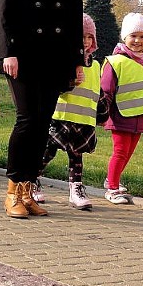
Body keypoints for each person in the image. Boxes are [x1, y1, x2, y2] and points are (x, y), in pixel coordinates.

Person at [0, 0, 85, 218]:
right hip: (23, 54)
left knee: (43, 124)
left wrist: (78, 58)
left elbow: (75, 12)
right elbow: (5, 9)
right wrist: (9, 52)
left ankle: (28, 190)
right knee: (27, 120)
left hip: (56, 56)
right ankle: (12, 192)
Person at [34, 13, 102, 210]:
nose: (87, 42)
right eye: (82, 37)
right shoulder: (64, 62)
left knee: (77, 156)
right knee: (48, 151)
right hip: (61, 117)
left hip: (83, 119)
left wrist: (102, 112)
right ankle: (33, 179)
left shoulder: (96, 65)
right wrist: (69, 82)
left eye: (90, 37)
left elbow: (98, 92)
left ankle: (76, 189)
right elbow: (54, 87)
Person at [101, 12, 143, 204]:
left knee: (128, 153)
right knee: (120, 152)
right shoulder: (116, 61)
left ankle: (112, 180)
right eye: (133, 36)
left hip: (142, 117)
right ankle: (112, 189)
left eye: (142, 36)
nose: (137, 40)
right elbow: (106, 90)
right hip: (120, 116)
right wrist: (102, 113)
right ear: (124, 37)